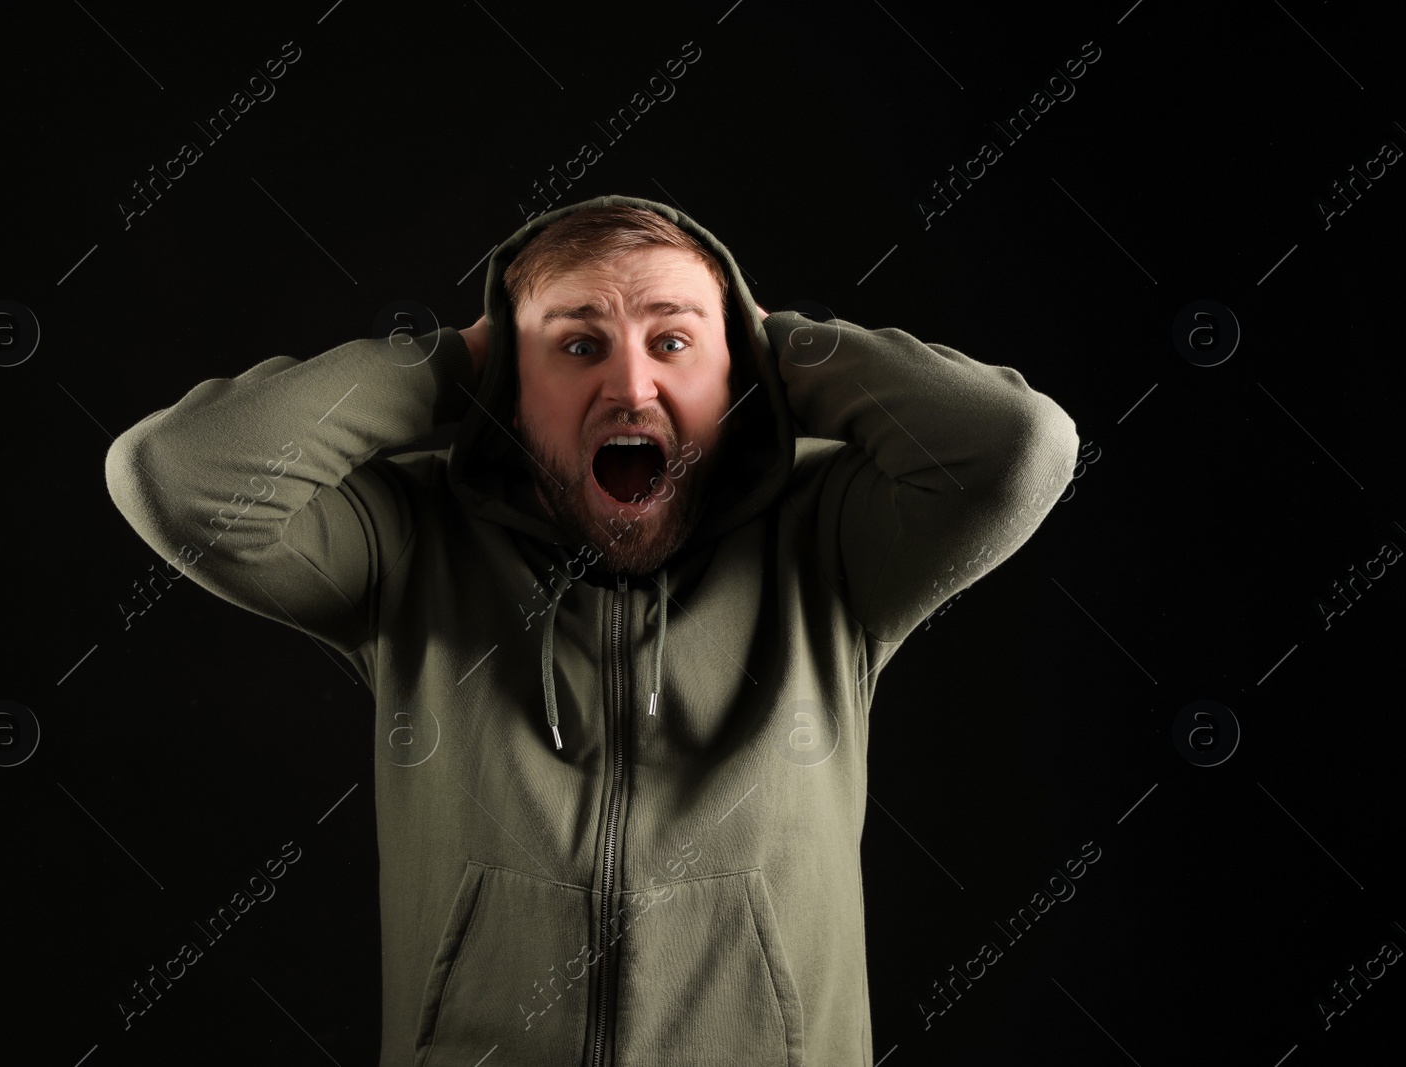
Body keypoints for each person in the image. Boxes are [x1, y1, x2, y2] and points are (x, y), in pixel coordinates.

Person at [104, 194, 1080, 1065]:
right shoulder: (409, 545)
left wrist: (773, 345)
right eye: (577, 345)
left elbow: (1019, 446)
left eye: (671, 343)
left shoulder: (827, 542)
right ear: (511, 388)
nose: (628, 387)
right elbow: (178, 472)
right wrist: (455, 364)